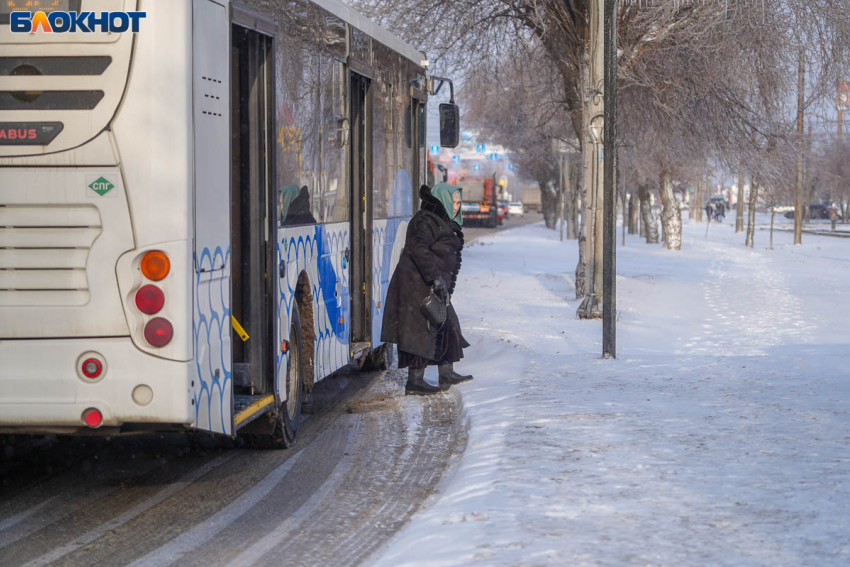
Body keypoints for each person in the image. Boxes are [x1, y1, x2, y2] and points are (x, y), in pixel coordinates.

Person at [382, 183, 473, 395]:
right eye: (454, 202)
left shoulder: (443, 221)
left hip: (432, 283)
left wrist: (443, 282)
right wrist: (435, 278)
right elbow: (418, 249)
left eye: (459, 203)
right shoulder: (424, 220)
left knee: (448, 323)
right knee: (418, 332)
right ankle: (414, 382)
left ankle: (446, 372)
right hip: (415, 283)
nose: (457, 207)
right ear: (444, 200)